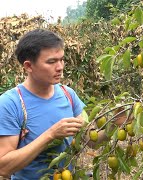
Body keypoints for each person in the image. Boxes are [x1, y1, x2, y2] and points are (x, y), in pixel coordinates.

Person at [0, 29, 105, 179]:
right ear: (29, 66)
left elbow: (90, 140)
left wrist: (114, 125)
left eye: (61, 59)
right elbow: (3, 168)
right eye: (51, 62)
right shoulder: (10, 104)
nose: (60, 67)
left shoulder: (68, 94)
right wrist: (50, 135)